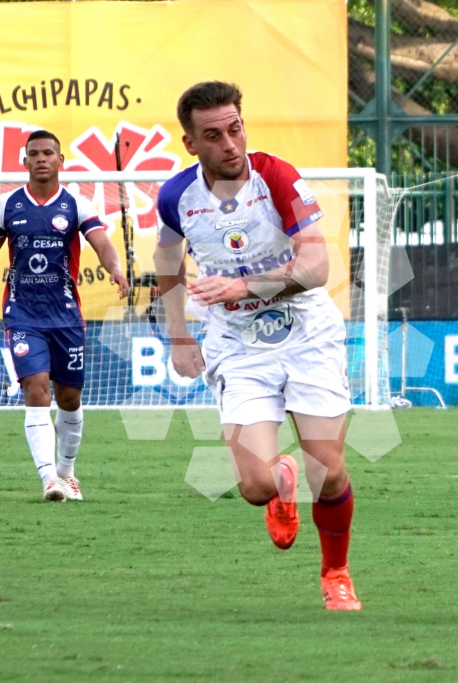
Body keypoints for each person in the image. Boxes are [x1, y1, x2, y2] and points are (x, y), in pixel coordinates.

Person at [153, 81, 360, 610]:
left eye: (235, 129)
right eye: (213, 135)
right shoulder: (176, 197)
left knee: (329, 472)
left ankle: (335, 573)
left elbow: (316, 267)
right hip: (238, 345)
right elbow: (167, 262)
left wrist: (242, 287)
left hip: (307, 334)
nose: (230, 144)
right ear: (190, 143)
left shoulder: (277, 177)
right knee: (254, 487)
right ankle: (280, 483)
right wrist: (179, 335)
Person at [0, 130, 128, 502]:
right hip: (22, 314)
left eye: (48, 153)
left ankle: (67, 473)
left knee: (69, 397)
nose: (41, 159)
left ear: (60, 160)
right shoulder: (7, 205)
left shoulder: (76, 204)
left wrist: (115, 268)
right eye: (34, 153)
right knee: (36, 390)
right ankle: (49, 481)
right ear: (24, 161)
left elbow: (101, 242)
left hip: (66, 316)